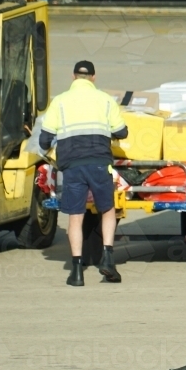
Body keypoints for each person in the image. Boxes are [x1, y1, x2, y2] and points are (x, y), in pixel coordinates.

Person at [39, 61, 128, 287]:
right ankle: (108, 258)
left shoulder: (59, 102)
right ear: (94, 78)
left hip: (72, 167)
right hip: (99, 164)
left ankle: (77, 271)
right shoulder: (106, 100)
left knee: (75, 217)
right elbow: (122, 132)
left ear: (73, 77)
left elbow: (43, 140)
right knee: (107, 210)